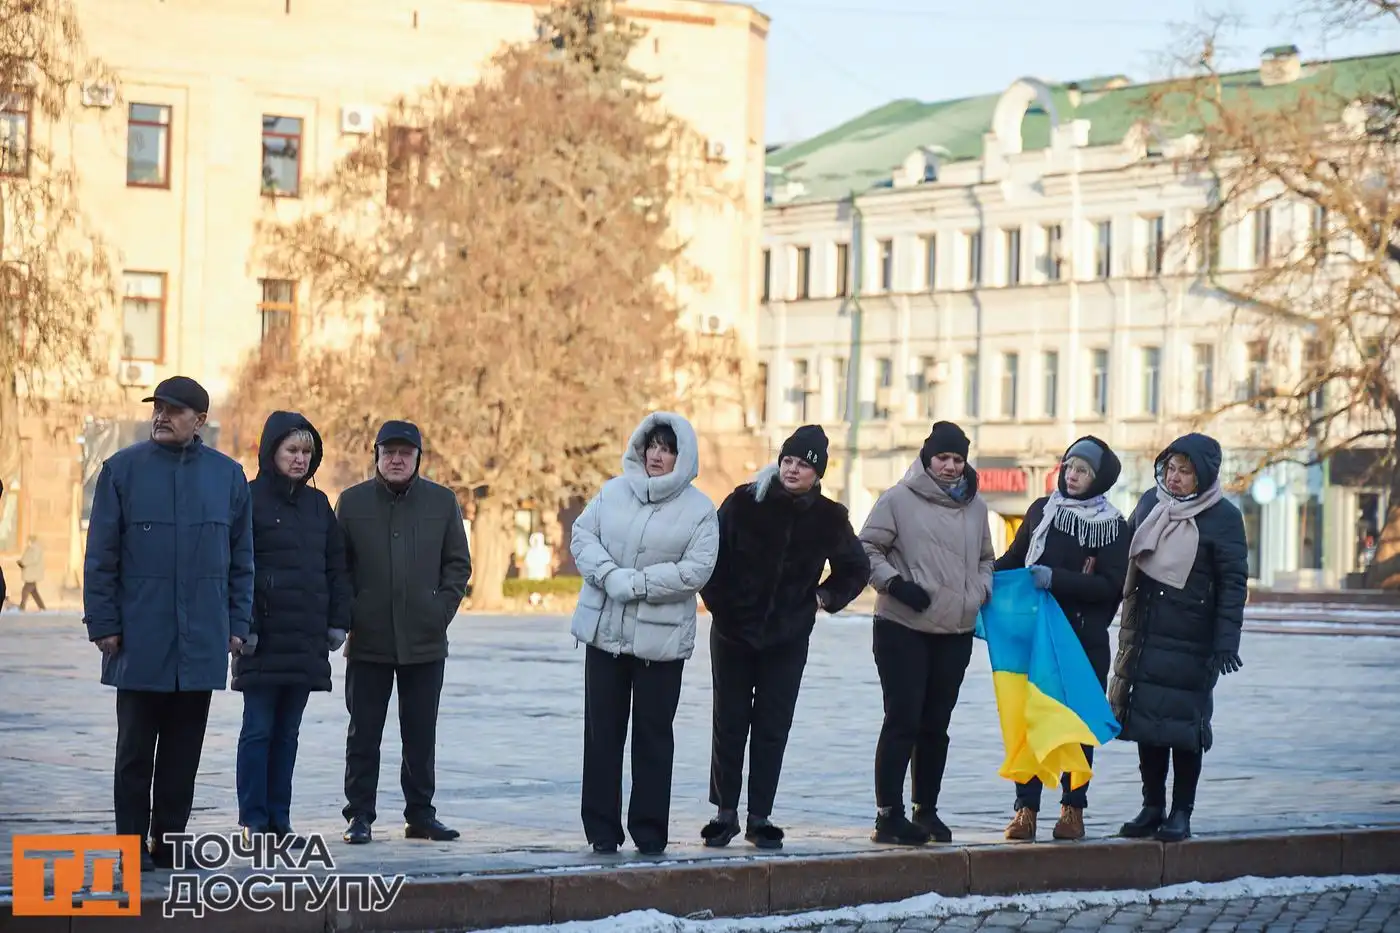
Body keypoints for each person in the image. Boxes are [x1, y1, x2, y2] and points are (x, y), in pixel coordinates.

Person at [82, 376, 253, 871]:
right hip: (140, 637)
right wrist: (104, 623)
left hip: (200, 641)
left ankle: (170, 843)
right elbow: (101, 557)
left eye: (174, 410)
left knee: (183, 754)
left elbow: (242, 561)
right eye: (158, 407)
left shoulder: (227, 478)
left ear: (199, 420)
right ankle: (130, 850)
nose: (161, 415)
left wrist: (236, 624)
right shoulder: (122, 471)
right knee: (134, 753)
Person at [697, 424, 870, 850]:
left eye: (804, 464)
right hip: (733, 633)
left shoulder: (830, 517)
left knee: (773, 725)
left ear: (818, 473)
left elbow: (856, 568)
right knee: (730, 721)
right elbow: (709, 556)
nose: (793, 469)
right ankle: (725, 812)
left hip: (788, 637)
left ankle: (760, 816)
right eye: (788, 460)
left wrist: (822, 598)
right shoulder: (744, 501)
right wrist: (723, 604)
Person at [570, 412, 719, 856]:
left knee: (653, 737)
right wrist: (609, 574)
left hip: (661, 645)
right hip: (604, 636)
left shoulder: (699, 510)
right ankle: (600, 828)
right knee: (602, 735)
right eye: (652, 445)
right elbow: (582, 536)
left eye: (667, 448)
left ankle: (650, 831)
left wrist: (638, 584)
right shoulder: (613, 491)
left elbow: (697, 569)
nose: (657, 455)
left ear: (682, 456)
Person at [337, 420, 473, 845]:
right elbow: (338, 567)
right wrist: (352, 612)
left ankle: (421, 814)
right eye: (388, 452)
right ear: (375, 455)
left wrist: (440, 610)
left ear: (418, 458)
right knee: (364, 732)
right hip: (369, 640)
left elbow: (458, 564)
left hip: (424, 641)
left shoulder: (442, 501)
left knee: (420, 733)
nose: (396, 460)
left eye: (405, 453)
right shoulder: (352, 502)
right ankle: (359, 814)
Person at [859, 421, 993, 846]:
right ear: (927, 458)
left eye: (957, 459)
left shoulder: (976, 506)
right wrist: (894, 584)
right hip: (903, 626)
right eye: (943, 458)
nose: (951, 467)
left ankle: (926, 809)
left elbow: (987, 558)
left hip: (955, 628)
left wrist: (979, 592)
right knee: (903, 718)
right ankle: (888, 814)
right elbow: (865, 548)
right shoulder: (897, 499)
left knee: (937, 723)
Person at [1110, 433, 1248, 843]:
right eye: (1170, 468)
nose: (1174, 478)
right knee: (1147, 723)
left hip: (1193, 641)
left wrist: (1226, 641)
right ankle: (1152, 806)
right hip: (1146, 633)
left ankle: (1180, 812)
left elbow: (1233, 584)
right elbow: (1124, 555)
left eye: (1184, 471)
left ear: (1203, 475)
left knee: (1185, 728)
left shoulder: (1224, 518)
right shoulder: (1151, 505)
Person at [993, 436, 1130, 842]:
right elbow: (1016, 560)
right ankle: (1026, 810)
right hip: (1035, 640)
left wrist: (1059, 580)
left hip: (1082, 643)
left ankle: (1073, 809)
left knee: (1076, 725)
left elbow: (1112, 586)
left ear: (1099, 478)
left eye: (1083, 470)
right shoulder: (1041, 511)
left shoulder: (1112, 526)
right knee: (1031, 722)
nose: (1072, 475)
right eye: (1069, 466)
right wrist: (986, 578)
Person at [232, 411, 353, 845]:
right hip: (262, 641)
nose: (300, 459)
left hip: (304, 640)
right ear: (272, 452)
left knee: (288, 733)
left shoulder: (318, 505)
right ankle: (253, 819)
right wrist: (243, 627)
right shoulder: (247, 499)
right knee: (259, 729)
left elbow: (336, 568)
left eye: (307, 452)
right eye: (292, 451)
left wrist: (339, 621)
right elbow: (237, 567)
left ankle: (279, 820)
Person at [17, 535, 46, 610]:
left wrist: (23, 563)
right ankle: (42, 607)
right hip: (31, 573)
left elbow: (33, 559)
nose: (28, 541)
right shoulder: (31, 548)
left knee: (25, 590)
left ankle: (22, 606)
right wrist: (21, 562)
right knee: (34, 592)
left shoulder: (35, 548)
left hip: (32, 574)